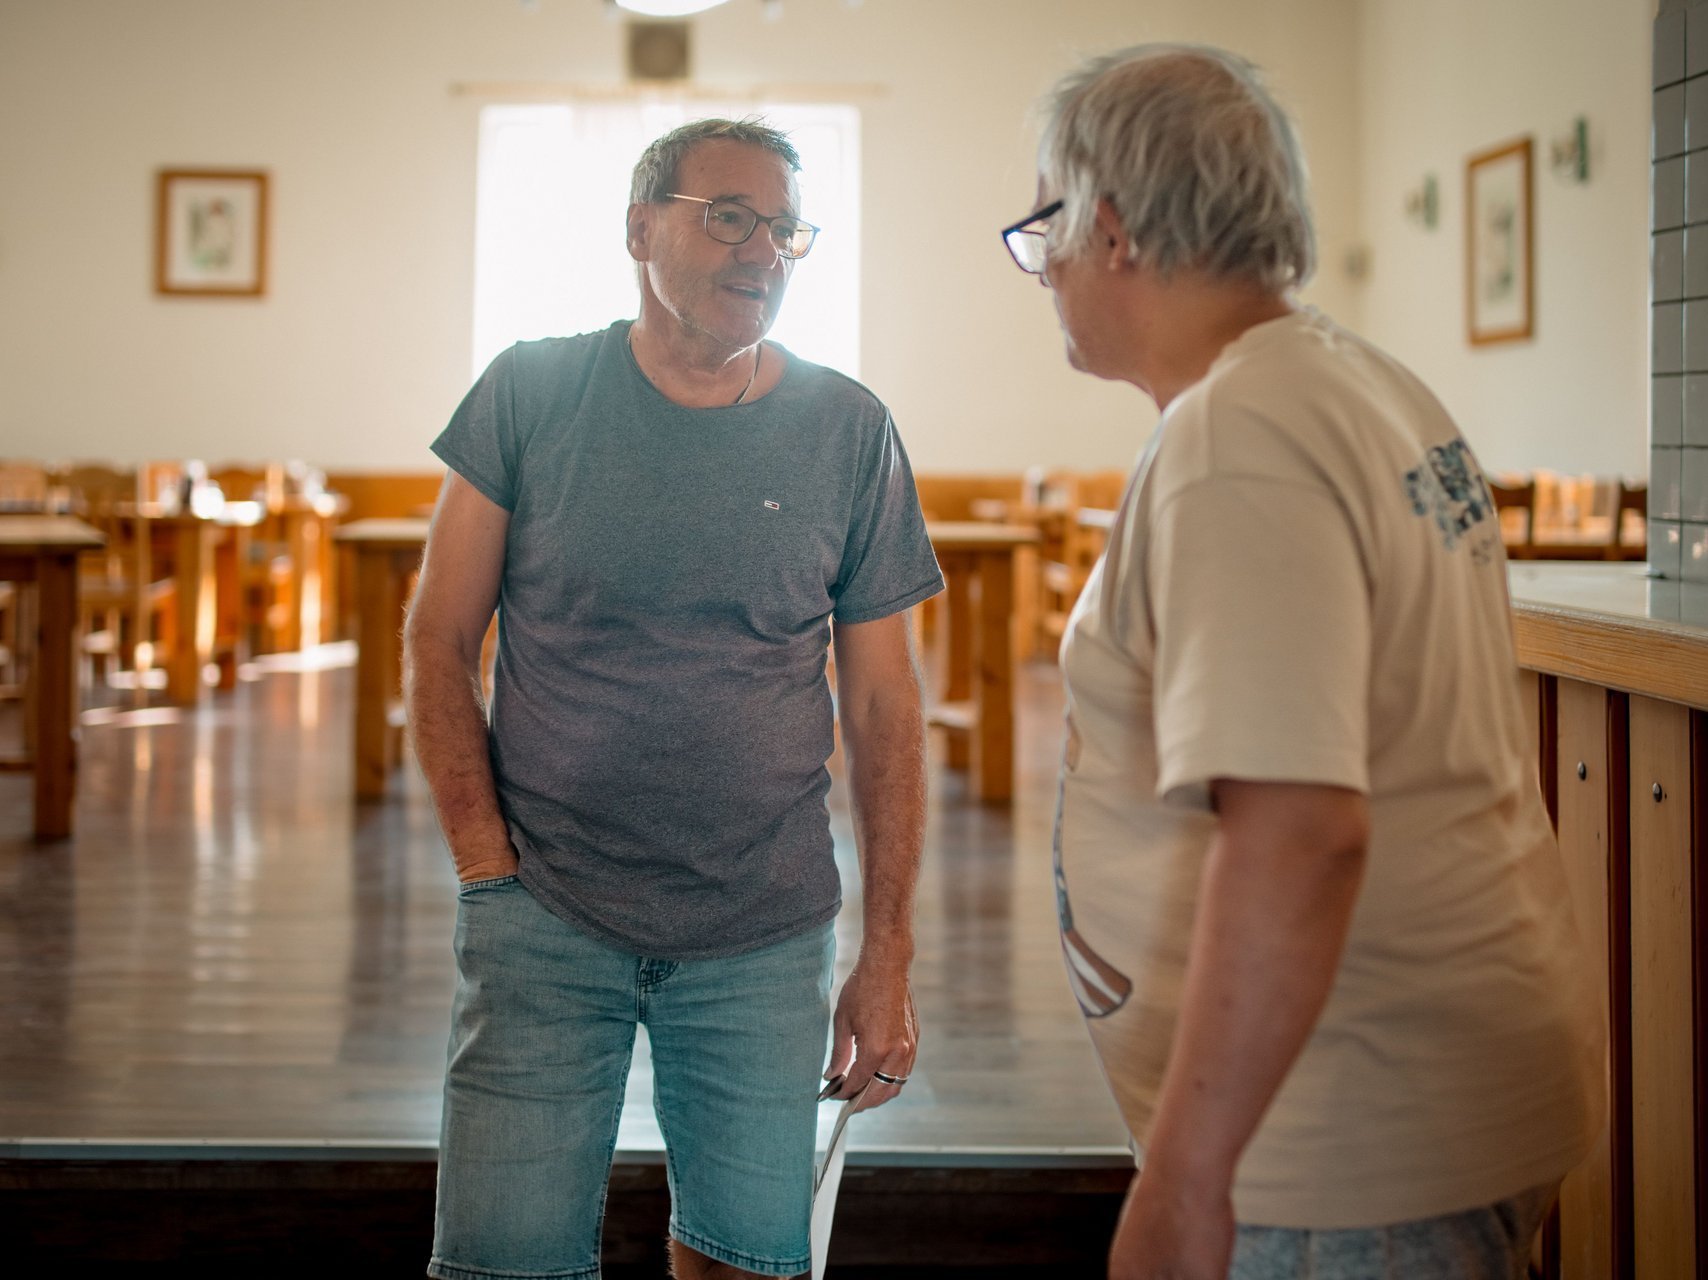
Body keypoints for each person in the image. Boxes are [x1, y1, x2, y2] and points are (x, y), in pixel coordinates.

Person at [1002, 45, 1606, 1280]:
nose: (1043, 265)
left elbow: (1298, 832)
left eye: (1044, 225)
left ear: (1110, 229)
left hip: (1345, 1137)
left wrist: (1180, 1182)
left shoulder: (1241, 432)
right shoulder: (1360, 379)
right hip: (1424, 1078)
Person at [405, 117, 943, 1280]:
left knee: (748, 1262)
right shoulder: (531, 389)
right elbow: (437, 638)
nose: (763, 249)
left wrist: (887, 947)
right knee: (505, 1263)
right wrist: (483, 863)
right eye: (729, 215)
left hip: (763, 927)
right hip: (541, 914)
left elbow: (889, 706)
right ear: (641, 226)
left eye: (785, 226)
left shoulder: (848, 429)